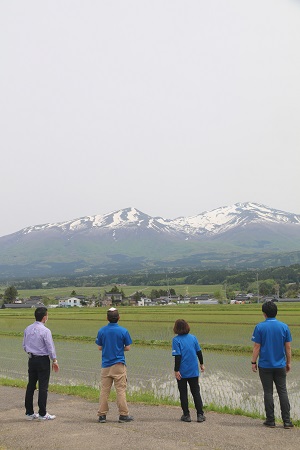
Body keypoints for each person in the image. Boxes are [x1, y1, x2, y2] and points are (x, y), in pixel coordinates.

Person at [251, 300, 293, 429]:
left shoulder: (260, 327)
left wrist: (253, 362)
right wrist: (288, 362)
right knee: (283, 391)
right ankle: (287, 421)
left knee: (268, 392)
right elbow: (288, 348)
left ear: (264, 313)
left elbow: (257, 346)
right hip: (280, 365)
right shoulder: (284, 327)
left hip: (265, 366)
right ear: (276, 312)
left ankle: (271, 420)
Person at [95, 307, 133, 423]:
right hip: (119, 364)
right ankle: (123, 415)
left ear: (107, 318)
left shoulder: (102, 331)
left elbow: (100, 347)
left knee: (104, 391)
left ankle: (102, 415)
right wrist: (119, 349)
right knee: (120, 390)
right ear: (119, 318)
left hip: (106, 365)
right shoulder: (123, 331)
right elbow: (128, 347)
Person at [23, 306, 59, 420]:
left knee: (31, 386)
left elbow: (24, 346)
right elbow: (50, 347)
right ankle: (43, 413)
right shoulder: (45, 331)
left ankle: (29, 412)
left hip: (31, 359)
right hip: (43, 360)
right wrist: (54, 360)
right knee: (43, 387)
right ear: (44, 318)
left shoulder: (27, 329)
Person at [172, 319, 205, 423]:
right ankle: (200, 415)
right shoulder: (193, 338)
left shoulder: (176, 340)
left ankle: (186, 415)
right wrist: (202, 364)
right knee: (196, 392)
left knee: (183, 393)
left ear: (176, 328)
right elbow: (199, 352)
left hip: (182, 371)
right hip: (193, 370)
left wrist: (176, 370)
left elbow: (177, 356)